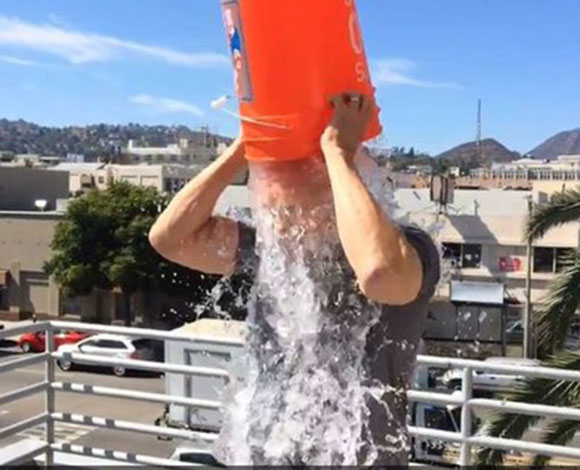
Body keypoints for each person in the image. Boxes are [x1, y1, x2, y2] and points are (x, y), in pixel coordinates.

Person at [149, 92, 440, 465]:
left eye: (292, 205)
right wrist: (244, 147)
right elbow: (169, 238)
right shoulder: (275, 248)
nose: (281, 218)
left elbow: (378, 273)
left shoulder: (409, 248)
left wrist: (338, 154)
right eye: (274, 205)